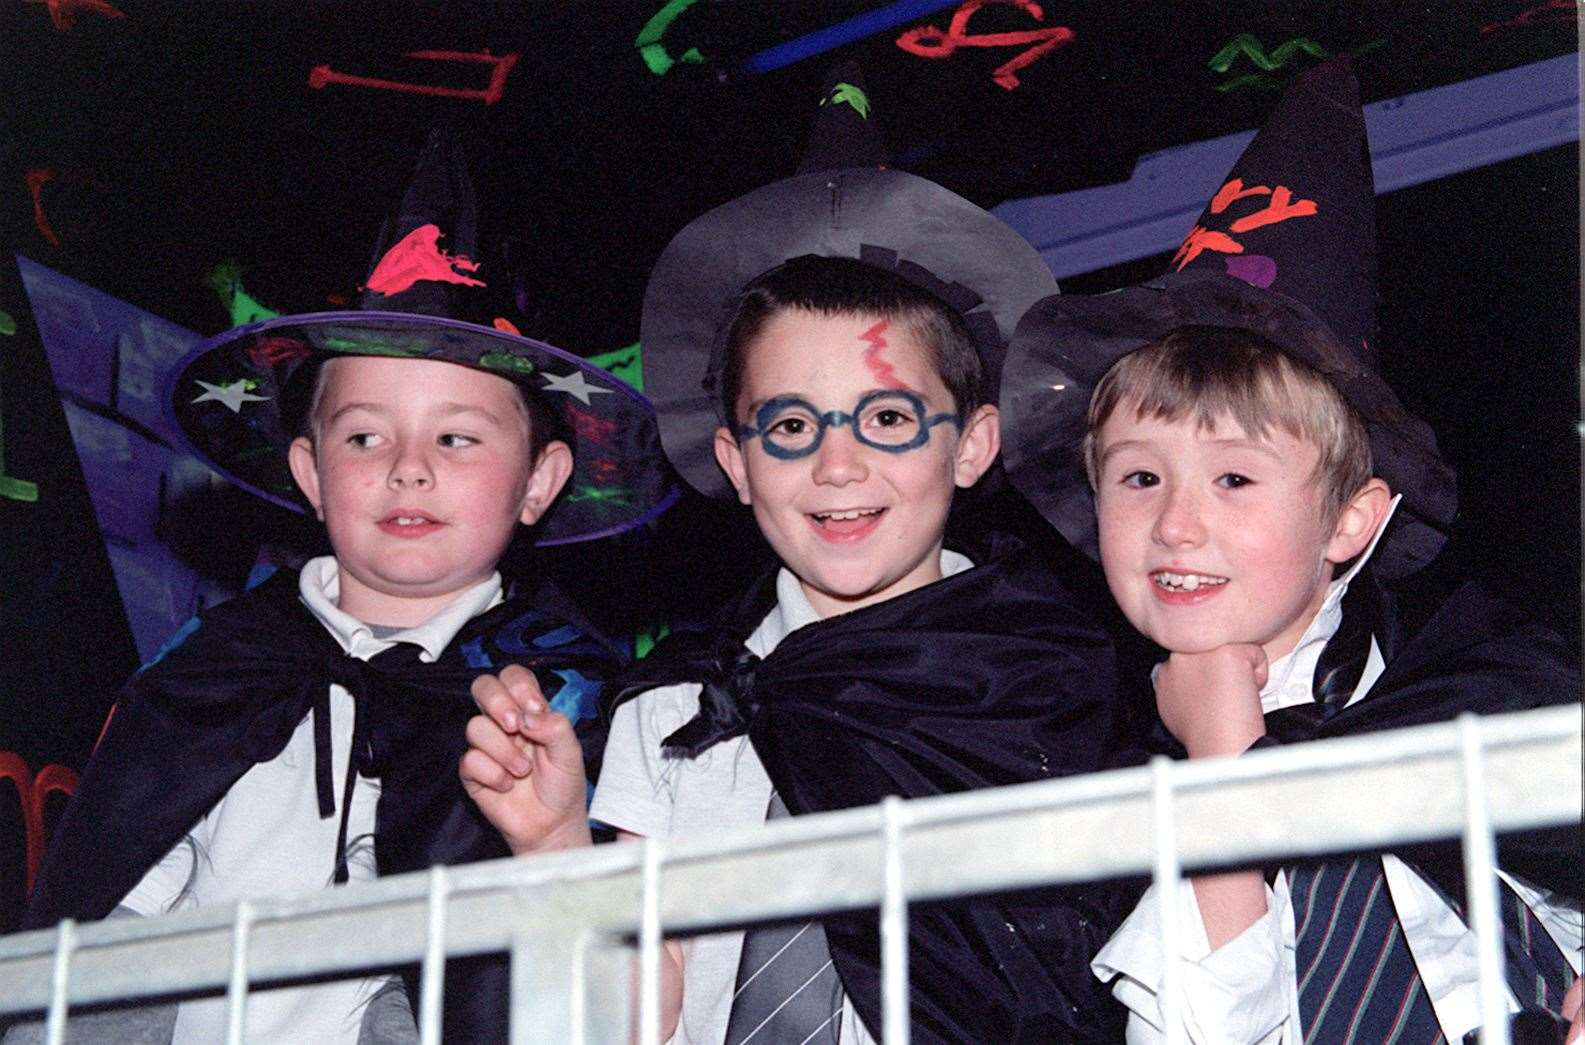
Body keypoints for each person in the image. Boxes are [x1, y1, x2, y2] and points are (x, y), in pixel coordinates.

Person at [461, 64, 1135, 1043]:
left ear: (974, 443)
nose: (835, 463)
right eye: (788, 426)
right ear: (735, 461)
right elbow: (641, 1015)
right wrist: (557, 845)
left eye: (890, 416)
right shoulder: (678, 706)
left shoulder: (1048, 687)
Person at [13, 130, 677, 1043]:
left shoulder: (570, 708)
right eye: (364, 436)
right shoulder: (210, 673)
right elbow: (102, 941)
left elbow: (593, 1001)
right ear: (310, 471)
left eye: (457, 438)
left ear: (539, 480)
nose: (408, 469)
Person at [999, 57, 1581, 1042]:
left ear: (1350, 521)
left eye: (1233, 478)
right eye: (1139, 478)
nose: (1175, 523)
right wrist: (1225, 764)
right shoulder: (1093, 789)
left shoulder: (1479, 691)